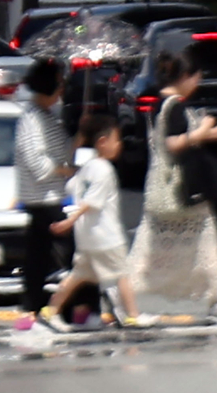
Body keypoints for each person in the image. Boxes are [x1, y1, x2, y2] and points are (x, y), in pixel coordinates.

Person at [127, 51, 217, 317]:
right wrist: (204, 131)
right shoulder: (175, 105)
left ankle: (123, 292)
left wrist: (210, 133)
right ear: (186, 76)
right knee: (205, 240)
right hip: (181, 187)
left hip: (163, 188)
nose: (198, 82)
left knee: (150, 247)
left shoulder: (159, 103)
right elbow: (174, 143)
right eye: (197, 76)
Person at [41, 115, 157, 331]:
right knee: (122, 274)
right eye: (116, 139)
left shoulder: (86, 168)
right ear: (103, 142)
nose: (119, 144)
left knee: (79, 275)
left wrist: (72, 220)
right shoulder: (104, 169)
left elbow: (72, 188)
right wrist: (70, 220)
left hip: (86, 236)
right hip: (105, 236)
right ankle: (132, 315)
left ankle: (50, 311)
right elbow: (91, 202)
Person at [14, 58, 74, 325]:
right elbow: (36, 162)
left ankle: (32, 306)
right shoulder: (31, 119)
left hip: (50, 196)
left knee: (37, 258)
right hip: (42, 199)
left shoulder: (47, 117)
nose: (62, 91)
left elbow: (62, 151)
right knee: (68, 253)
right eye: (59, 85)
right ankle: (73, 306)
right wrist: (63, 170)